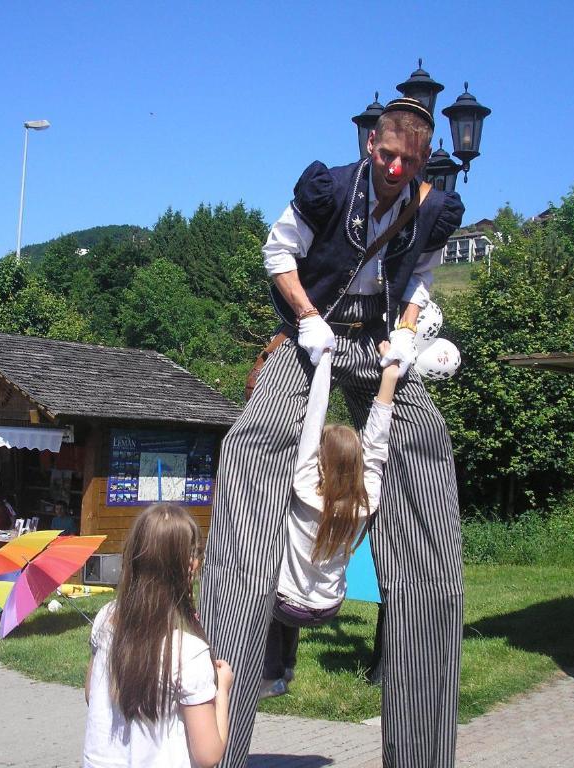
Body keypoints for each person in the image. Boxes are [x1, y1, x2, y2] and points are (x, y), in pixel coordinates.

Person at [199, 98, 464, 768]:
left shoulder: (433, 207)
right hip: (310, 336)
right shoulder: (330, 188)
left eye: (409, 160)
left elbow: (423, 276)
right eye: (387, 155)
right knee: (252, 441)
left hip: (378, 347)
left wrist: (406, 331)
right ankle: (222, 725)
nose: (396, 168)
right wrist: (308, 319)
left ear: (422, 157)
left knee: (427, 447)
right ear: (371, 144)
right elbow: (277, 251)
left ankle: (423, 751)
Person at [261, 348, 398, 697]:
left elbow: (312, 417)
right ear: (356, 463)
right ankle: (285, 669)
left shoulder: (306, 488)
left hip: (288, 603)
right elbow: (378, 442)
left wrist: (323, 362)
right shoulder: (366, 501)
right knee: (292, 590)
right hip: (329, 607)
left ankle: (273, 671)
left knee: (266, 590)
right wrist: (390, 377)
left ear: (322, 461)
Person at [84, 503, 234, 768]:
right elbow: (208, 755)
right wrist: (221, 688)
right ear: (190, 565)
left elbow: (90, 695)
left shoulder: (106, 619)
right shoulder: (188, 653)